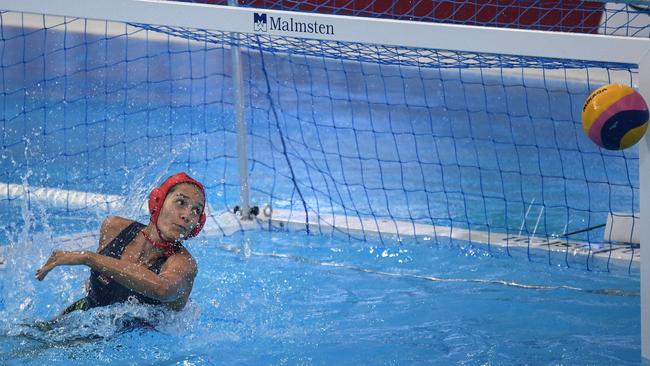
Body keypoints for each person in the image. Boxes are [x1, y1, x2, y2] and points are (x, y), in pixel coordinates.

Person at [35, 172, 206, 315]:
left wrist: (88, 258)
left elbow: (162, 289)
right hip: (85, 314)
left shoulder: (184, 264)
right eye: (181, 202)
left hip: (136, 338)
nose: (187, 215)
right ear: (158, 201)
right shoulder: (114, 227)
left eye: (196, 210)